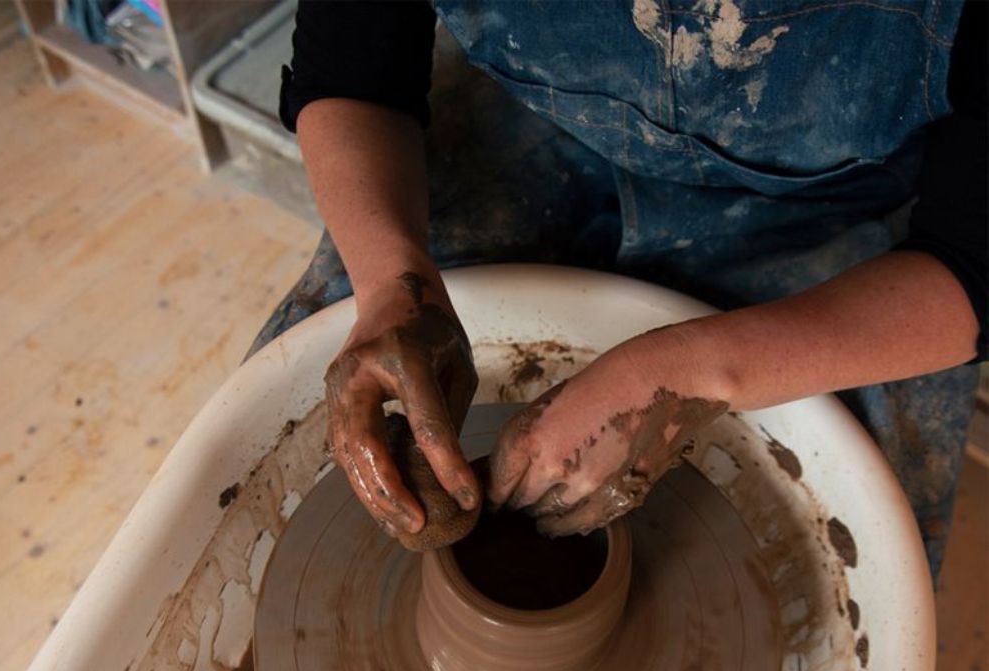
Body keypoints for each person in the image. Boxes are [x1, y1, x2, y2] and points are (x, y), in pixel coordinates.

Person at [254, 0, 986, 578]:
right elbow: (350, 72)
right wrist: (392, 285)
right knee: (284, 444)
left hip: (826, 200)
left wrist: (683, 375)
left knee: (868, 531)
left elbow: (973, 263)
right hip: (538, 116)